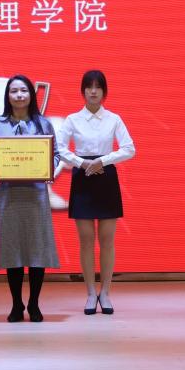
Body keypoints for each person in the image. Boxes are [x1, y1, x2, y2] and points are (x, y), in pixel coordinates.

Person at [0, 75, 61, 323]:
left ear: (31, 95)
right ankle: (17, 304)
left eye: (23, 90)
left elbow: (56, 154)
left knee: (37, 249)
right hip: (9, 194)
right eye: (14, 91)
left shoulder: (43, 124)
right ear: (7, 96)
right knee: (12, 249)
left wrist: (48, 169)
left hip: (36, 195)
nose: (19, 95)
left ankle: (34, 304)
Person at [55, 70, 136, 315]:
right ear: (82, 91)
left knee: (107, 240)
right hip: (82, 177)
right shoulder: (72, 119)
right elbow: (58, 148)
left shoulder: (113, 119)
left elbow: (129, 148)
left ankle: (106, 292)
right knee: (86, 240)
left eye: (98, 87)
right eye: (89, 87)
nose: (93, 91)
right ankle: (91, 293)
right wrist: (82, 163)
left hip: (105, 176)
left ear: (104, 91)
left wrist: (103, 160)